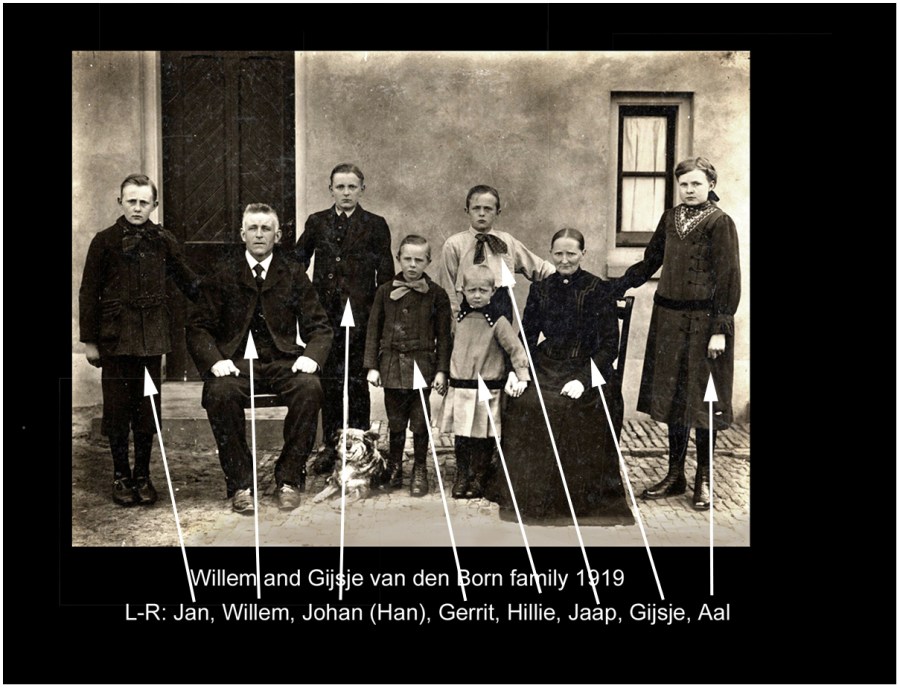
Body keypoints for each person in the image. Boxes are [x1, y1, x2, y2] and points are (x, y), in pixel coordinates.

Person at [187, 203, 333, 513]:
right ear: (242, 234)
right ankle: (241, 484)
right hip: (236, 364)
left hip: (281, 361)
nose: (259, 234)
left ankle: (289, 479)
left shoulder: (293, 273)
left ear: (277, 236)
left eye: (266, 228)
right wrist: (215, 360)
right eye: (252, 228)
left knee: (310, 388)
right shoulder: (223, 273)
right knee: (219, 393)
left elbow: (320, 326)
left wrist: (312, 356)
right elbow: (198, 327)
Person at [614, 157, 741, 510]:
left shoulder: (720, 223)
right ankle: (675, 475)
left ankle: (703, 479)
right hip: (668, 321)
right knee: (674, 398)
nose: (689, 190)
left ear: (711, 185)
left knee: (704, 401)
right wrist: (616, 286)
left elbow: (729, 278)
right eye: (684, 184)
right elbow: (650, 261)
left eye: (696, 184)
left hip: (704, 326)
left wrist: (720, 330)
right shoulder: (670, 219)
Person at [489, 228, 635, 526]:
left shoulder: (599, 289)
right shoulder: (541, 289)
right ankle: (528, 494)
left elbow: (610, 346)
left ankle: (574, 500)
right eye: (558, 254)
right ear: (551, 254)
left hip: (589, 366)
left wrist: (583, 380)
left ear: (583, 254)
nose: (564, 260)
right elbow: (528, 336)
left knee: (566, 406)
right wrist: (518, 371)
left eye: (571, 253)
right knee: (525, 402)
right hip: (548, 363)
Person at [79, 173, 200, 506]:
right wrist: (90, 342)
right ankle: (120, 475)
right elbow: (88, 292)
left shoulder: (164, 240)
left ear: (154, 205)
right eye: (131, 201)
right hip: (115, 341)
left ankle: (143, 475)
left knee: (147, 410)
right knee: (117, 410)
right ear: (120, 202)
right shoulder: (104, 241)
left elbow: (187, 280)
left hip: (150, 340)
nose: (137, 208)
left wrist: (217, 298)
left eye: (143, 202)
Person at [295, 163, 394, 475]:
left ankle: (360, 444)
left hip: (361, 317)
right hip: (325, 318)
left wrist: (380, 316)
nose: (346, 193)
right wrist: (306, 299)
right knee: (329, 380)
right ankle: (330, 444)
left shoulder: (375, 225)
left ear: (362, 189)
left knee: (356, 381)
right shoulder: (317, 222)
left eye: (352, 187)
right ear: (331, 190)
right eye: (340, 187)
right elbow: (297, 263)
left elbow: (386, 275)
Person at [364, 235, 452, 496]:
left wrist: (441, 370)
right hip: (391, 365)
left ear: (428, 261)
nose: (412, 265)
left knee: (420, 421)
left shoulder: (437, 295)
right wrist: (372, 366)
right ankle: (394, 467)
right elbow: (373, 330)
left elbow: (444, 337)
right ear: (398, 259)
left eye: (419, 260)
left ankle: (419, 469)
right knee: (396, 421)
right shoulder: (384, 291)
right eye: (407, 259)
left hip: (422, 366)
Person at [441, 264, 531, 499]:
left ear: (493, 291)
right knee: (462, 435)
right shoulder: (457, 320)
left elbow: (516, 349)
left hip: (487, 389)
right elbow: (448, 347)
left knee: (484, 436)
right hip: (461, 387)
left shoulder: (498, 322)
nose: (477, 295)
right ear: (462, 290)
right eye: (472, 290)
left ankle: (479, 476)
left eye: (483, 290)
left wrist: (522, 375)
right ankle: (463, 474)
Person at [439, 185, 555, 323]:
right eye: (476, 208)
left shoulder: (506, 241)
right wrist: (453, 318)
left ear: (497, 212)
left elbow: (539, 268)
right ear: (467, 211)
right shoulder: (454, 244)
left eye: (488, 209)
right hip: (469, 309)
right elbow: (447, 287)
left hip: (501, 308)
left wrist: (566, 276)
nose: (482, 213)